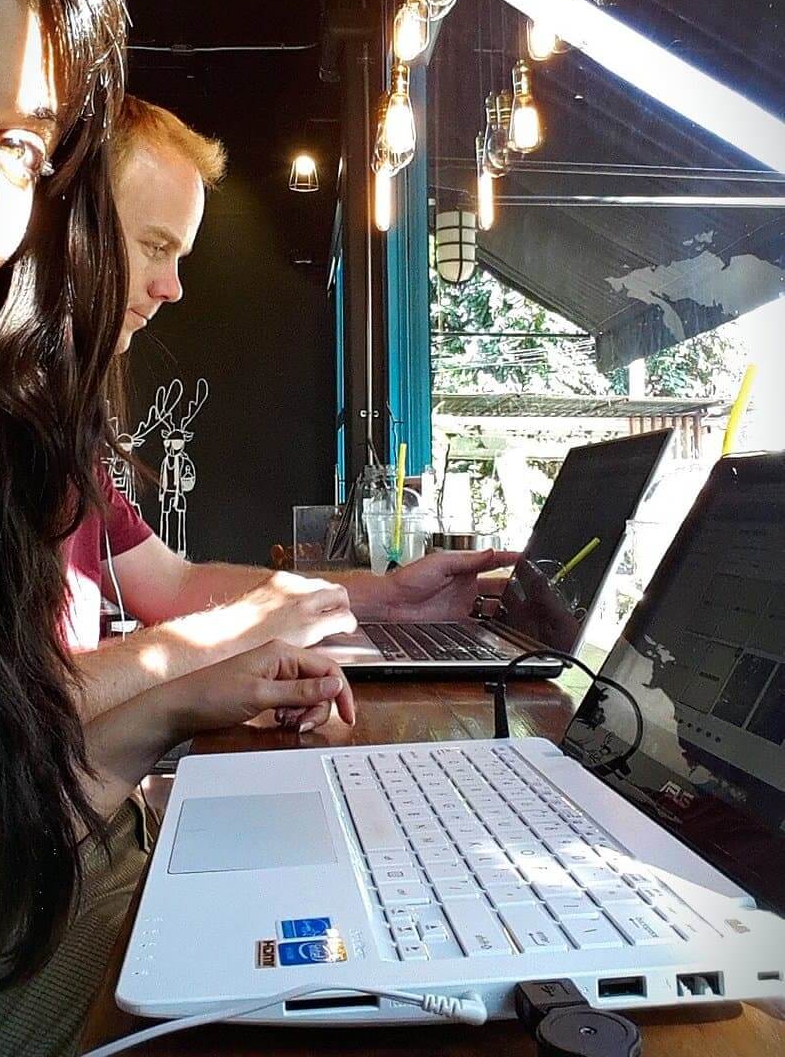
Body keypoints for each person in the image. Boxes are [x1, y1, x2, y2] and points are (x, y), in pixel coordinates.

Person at [0, 0, 353, 1057]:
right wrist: (179, 698)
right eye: (152, 247)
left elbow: (12, 736)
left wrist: (203, 690)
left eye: (16, 142)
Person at [54, 94, 517, 729]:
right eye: (154, 246)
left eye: (178, 257)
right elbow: (8, 708)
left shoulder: (60, 430)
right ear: (68, 225)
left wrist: (392, 598)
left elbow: (169, 585)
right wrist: (232, 637)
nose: (172, 287)